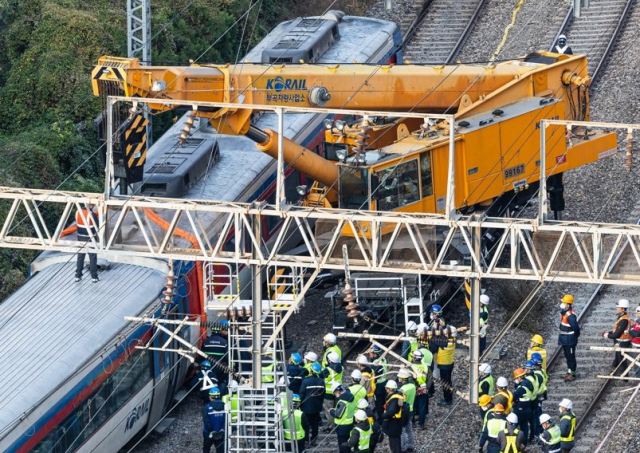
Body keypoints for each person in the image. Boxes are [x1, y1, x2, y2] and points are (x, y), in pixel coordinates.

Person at [299, 362, 325, 444]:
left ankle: (306, 439)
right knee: (315, 424)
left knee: (306, 425)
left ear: (311, 370)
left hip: (306, 407)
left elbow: (302, 394)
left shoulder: (305, 381)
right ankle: (314, 439)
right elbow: (322, 394)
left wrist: (302, 405)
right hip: (317, 406)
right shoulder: (321, 381)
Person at [602, 299, 631, 369]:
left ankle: (625, 377)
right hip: (621, 341)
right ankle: (614, 367)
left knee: (621, 360)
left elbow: (617, 334)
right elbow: (617, 330)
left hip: (622, 342)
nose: (617, 309)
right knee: (618, 357)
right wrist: (609, 332)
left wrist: (607, 335)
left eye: (618, 307)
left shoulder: (624, 320)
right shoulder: (623, 317)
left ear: (623, 309)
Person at [75, 204, 99, 283]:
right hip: (90, 237)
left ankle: (78, 275)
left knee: (80, 256)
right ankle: (94, 277)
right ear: (91, 206)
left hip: (80, 237)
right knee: (92, 256)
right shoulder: (92, 215)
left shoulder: (78, 212)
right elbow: (97, 227)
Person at [558, 294, 580, 381]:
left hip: (569, 338)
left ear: (568, 304)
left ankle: (572, 373)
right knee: (567, 355)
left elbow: (576, 327)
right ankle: (569, 371)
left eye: (564, 302)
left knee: (571, 356)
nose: (562, 303)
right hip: (564, 338)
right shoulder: (565, 313)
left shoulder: (570, 315)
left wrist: (575, 336)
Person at [202, 321, 229, 392]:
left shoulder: (206, 341)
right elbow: (227, 356)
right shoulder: (224, 342)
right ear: (220, 330)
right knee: (221, 382)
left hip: (209, 367)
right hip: (221, 367)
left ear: (212, 331)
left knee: (210, 382)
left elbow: (202, 354)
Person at [330, 384, 355, 453]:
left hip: (342, 427)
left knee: (343, 446)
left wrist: (331, 411)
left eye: (334, 393)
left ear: (337, 391)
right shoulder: (350, 397)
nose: (335, 395)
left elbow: (338, 415)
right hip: (350, 424)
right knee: (348, 444)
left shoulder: (342, 401)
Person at [435, 325, 456, 406]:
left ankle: (447, 400)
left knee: (445, 383)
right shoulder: (452, 340)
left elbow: (434, 339)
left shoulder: (445, 343)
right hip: (449, 363)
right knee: (448, 381)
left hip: (444, 365)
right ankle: (449, 397)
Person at [512, 368, 534, 443]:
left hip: (520, 409)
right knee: (524, 427)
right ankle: (524, 443)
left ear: (519, 377)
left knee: (513, 425)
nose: (515, 379)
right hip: (528, 408)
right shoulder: (528, 383)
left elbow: (513, 396)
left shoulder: (521, 388)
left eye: (516, 378)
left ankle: (512, 441)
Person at [323, 351, 344, 431]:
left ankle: (330, 426)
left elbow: (321, 375)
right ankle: (337, 424)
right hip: (338, 391)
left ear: (330, 361)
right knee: (337, 408)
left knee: (329, 410)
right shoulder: (341, 368)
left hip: (328, 393)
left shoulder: (327, 370)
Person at [381, 380, 404, 453]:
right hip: (397, 423)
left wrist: (384, 415)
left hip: (393, 424)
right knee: (397, 441)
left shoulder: (394, 399)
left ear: (390, 389)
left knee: (394, 443)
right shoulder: (397, 396)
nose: (386, 390)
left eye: (387, 388)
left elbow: (391, 411)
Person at [409, 349, 430, 428]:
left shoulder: (411, 367)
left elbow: (410, 379)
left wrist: (417, 388)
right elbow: (430, 379)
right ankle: (421, 424)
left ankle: (413, 423)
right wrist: (426, 388)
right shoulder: (425, 366)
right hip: (424, 389)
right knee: (422, 407)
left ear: (414, 358)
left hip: (415, 390)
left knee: (413, 406)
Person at [398, 368, 416, 452]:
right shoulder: (413, 386)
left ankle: (403, 448)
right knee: (409, 429)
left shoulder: (403, 389)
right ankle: (411, 446)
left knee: (402, 431)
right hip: (411, 410)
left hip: (404, 411)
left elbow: (400, 403)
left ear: (402, 378)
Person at [202, 387, 226, 453]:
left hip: (208, 433)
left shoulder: (207, 407)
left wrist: (212, 430)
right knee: (220, 450)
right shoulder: (225, 406)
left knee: (206, 449)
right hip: (221, 433)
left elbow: (206, 420)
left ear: (210, 397)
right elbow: (226, 420)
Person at [368, 344, 388, 419]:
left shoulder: (376, 363)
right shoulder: (383, 359)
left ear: (375, 354)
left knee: (379, 404)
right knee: (383, 401)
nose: (370, 355)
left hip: (379, 386)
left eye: (371, 353)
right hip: (384, 383)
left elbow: (374, 375)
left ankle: (380, 419)